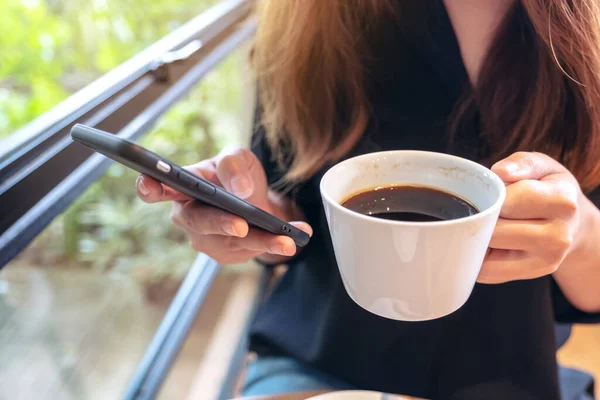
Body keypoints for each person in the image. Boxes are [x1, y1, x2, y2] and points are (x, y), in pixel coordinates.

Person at [136, 1, 600, 398]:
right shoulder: (306, 18)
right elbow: (289, 210)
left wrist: (578, 231)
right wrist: (253, 215)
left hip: (508, 378)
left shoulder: (587, 34)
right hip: (316, 364)